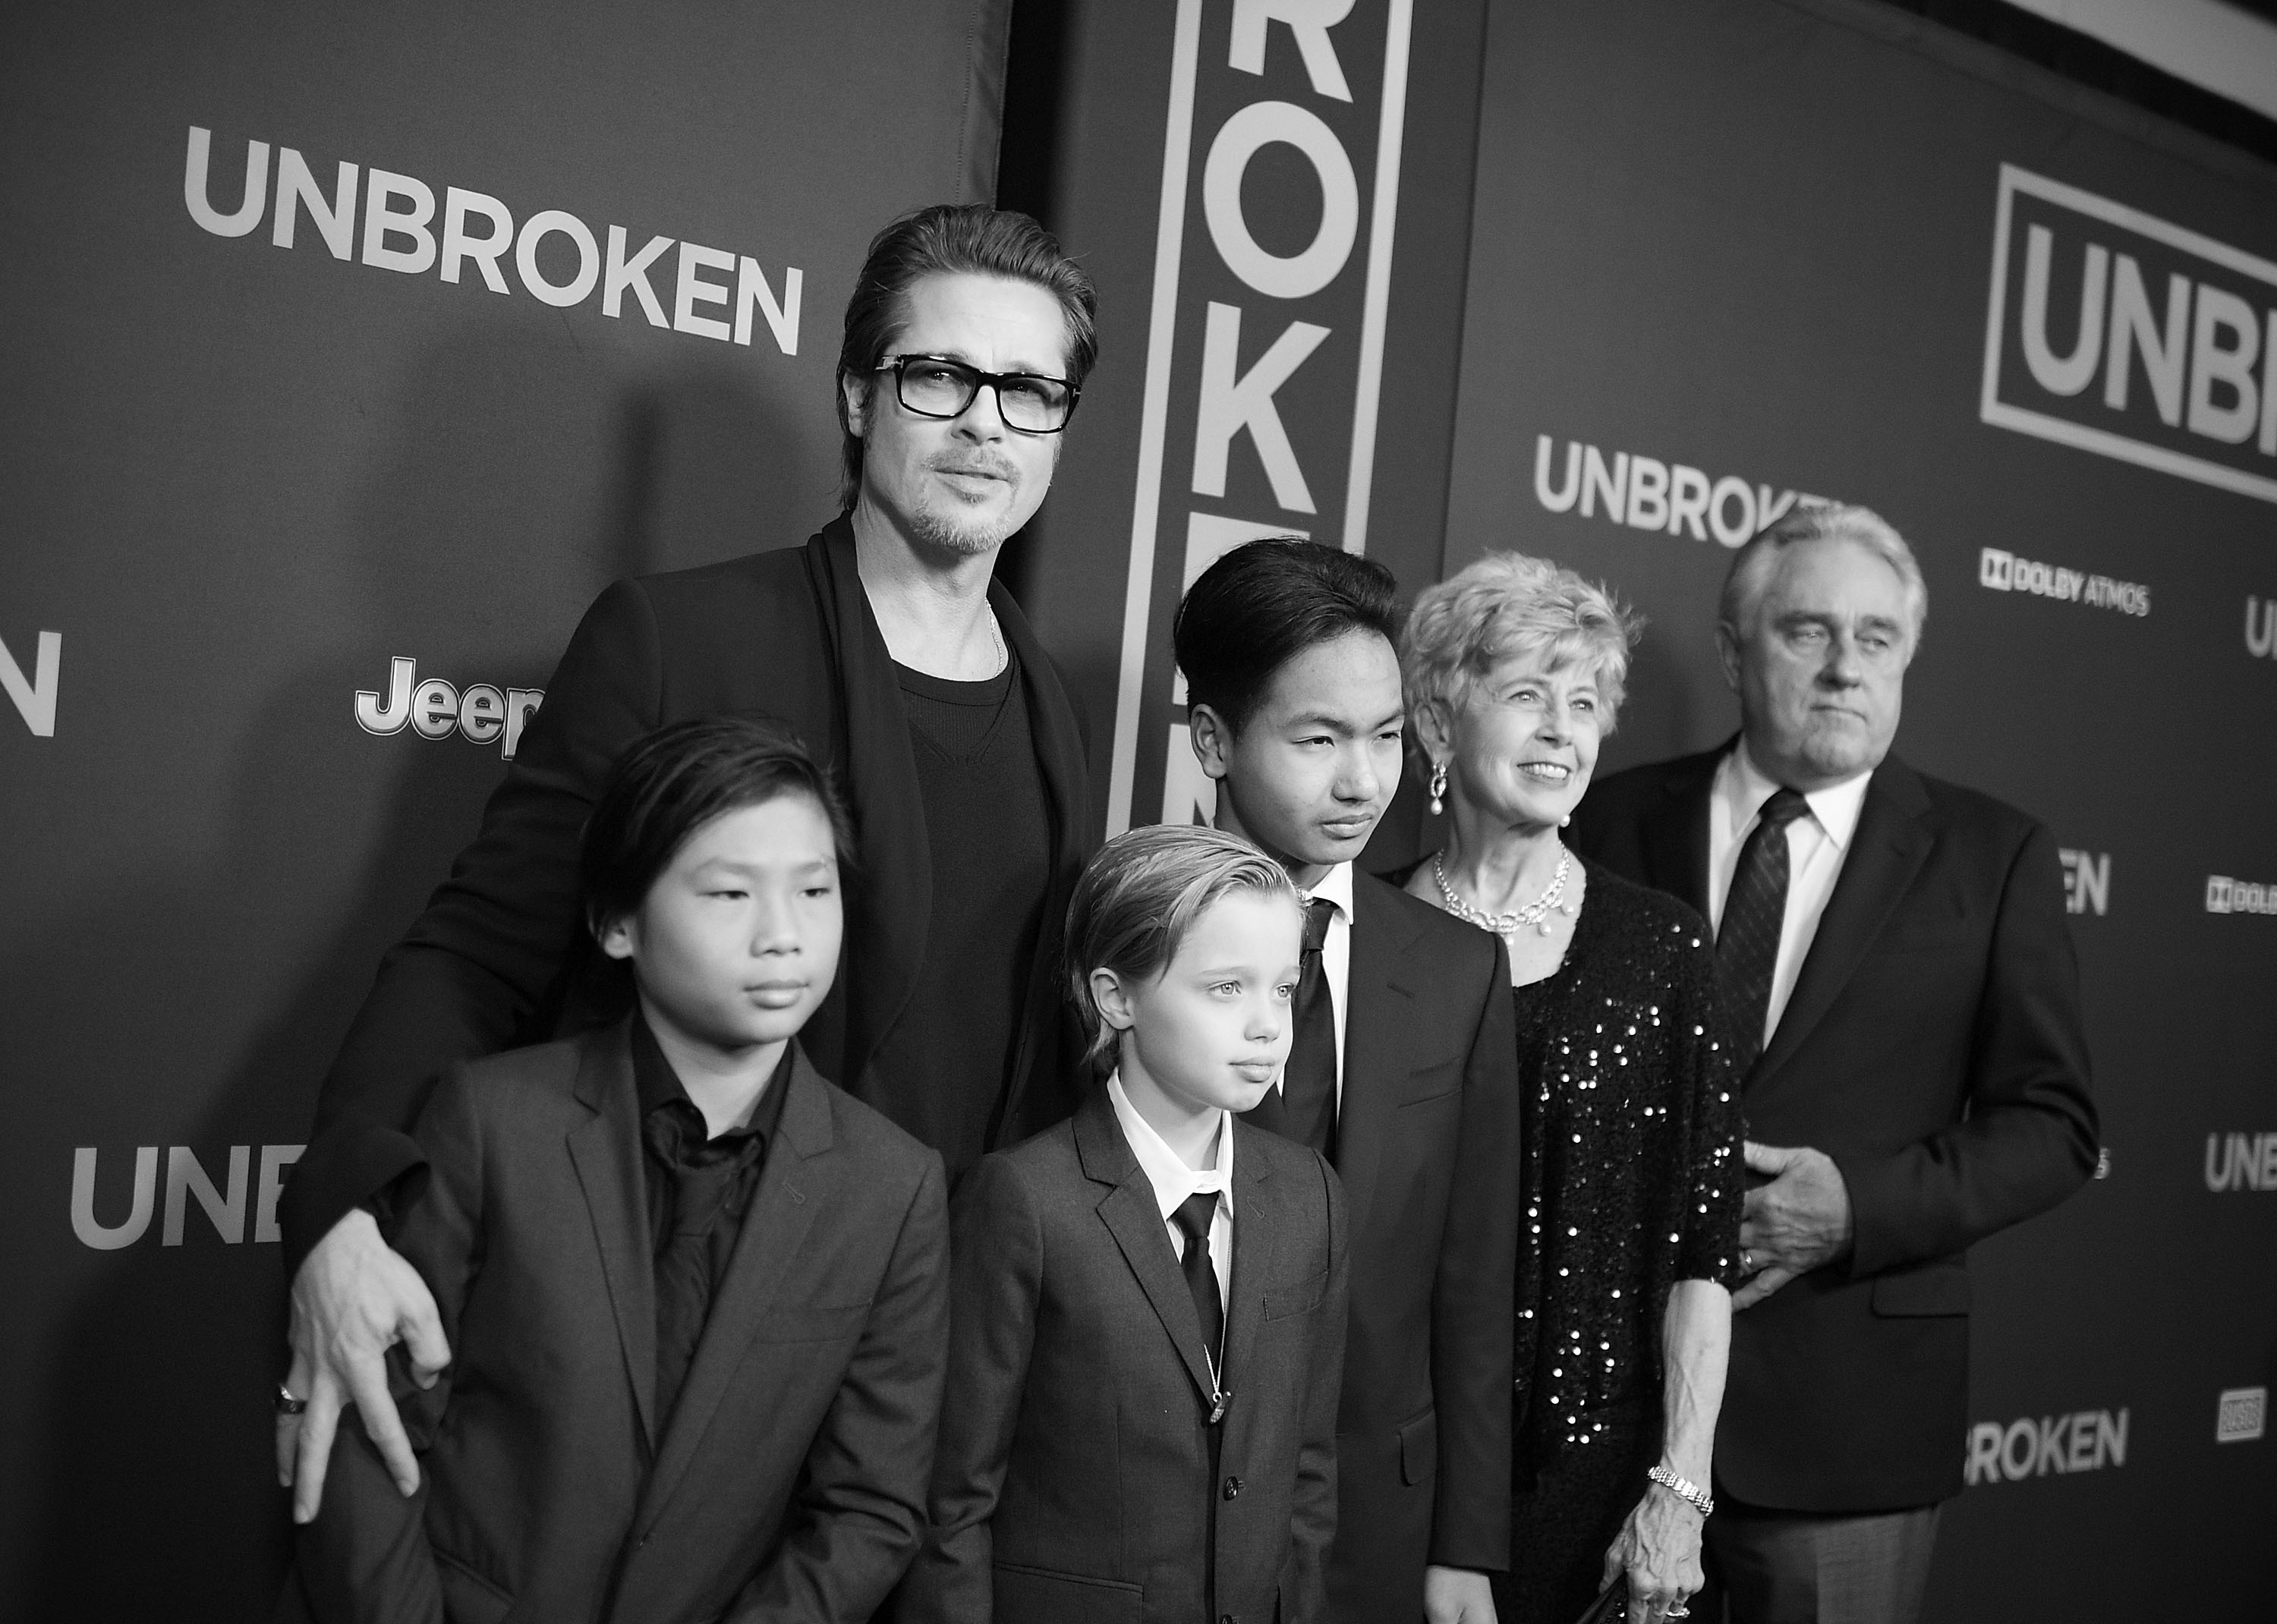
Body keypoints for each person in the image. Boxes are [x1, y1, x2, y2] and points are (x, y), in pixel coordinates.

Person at [275, 202, 1098, 1522]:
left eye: (1028, 390)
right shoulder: (682, 636)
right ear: (856, 390)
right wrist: (350, 1206)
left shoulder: (1056, 706)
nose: (984, 422)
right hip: (671, 1359)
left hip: (911, 1398)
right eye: (939, 375)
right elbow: (484, 946)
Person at [280, 715, 948, 1623]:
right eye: (728, 895)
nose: (783, 935)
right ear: (617, 922)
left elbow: (869, 1508)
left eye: (816, 890)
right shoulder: (491, 1120)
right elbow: (369, 1430)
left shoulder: (891, 1184)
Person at [1569, 502, 2099, 1624]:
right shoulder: (1603, 821)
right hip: (1602, 1406)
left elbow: (2053, 1124)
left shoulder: (1993, 854)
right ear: (1733, 650)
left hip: (1842, 1435)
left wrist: (1852, 1208)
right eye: (1808, 631)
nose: (1846, 668)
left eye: (1877, 638)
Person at [1173, 540, 1520, 1624]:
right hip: (1153, 1505)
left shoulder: (1459, 971)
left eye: (1384, 736)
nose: (1363, 780)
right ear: (1214, 739)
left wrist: (1466, 1547)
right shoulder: (1115, 937)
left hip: (1379, 1514)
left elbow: (1472, 1286)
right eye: (1318, 739)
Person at [1395, 552, 1742, 1624]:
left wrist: (1679, 1491)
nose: (1562, 729)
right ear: (1440, 724)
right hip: (1396, 1464)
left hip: (1599, 1483)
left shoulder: (1663, 946)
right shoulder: (1356, 934)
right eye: (1528, 695)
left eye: (1585, 702)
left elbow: (1702, 1252)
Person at [907, 823, 1347, 1624]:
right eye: (1226, 987)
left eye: (1283, 987)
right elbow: (953, 1498)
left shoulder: (1307, 1193)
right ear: (1117, 996)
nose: (1267, 1025)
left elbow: (1307, 1467)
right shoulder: (1025, 1200)